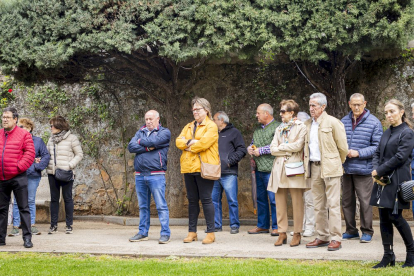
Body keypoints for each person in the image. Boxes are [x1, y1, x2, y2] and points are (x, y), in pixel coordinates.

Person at [370, 99, 414, 268]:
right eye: (386, 112)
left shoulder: (407, 132)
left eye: (392, 111)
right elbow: (377, 153)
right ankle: (388, 256)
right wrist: (376, 170)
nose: (388, 115)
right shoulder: (387, 132)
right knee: (383, 218)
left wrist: (379, 171)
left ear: (401, 112)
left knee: (395, 216)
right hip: (382, 180)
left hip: (397, 179)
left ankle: (411, 253)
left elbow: (400, 157)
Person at [304, 93, 348, 251]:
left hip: (330, 167)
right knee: (318, 204)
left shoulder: (333, 122)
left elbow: (343, 148)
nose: (311, 108)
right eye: (310, 105)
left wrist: (336, 162)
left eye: (314, 105)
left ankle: (336, 237)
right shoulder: (308, 124)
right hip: (314, 167)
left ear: (323, 107)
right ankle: (322, 236)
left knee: (333, 204)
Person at [176, 97, 219, 244]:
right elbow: (178, 141)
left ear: (206, 110)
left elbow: (204, 144)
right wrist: (191, 142)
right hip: (189, 167)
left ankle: (211, 233)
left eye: (198, 109)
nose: (195, 111)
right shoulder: (188, 126)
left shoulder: (211, 126)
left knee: (206, 200)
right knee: (192, 201)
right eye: (193, 109)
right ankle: (192, 232)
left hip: (204, 167)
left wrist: (188, 145)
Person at [341, 93, 383, 243]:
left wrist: (358, 153)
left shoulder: (374, 122)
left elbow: (378, 147)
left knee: (365, 201)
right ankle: (351, 230)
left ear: (365, 103)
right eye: (354, 104)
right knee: (347, 201)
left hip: (364, 168)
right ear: (349, 104)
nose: (357, 107)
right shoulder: (343, 121)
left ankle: (367, 231)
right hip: (346, 168)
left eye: (359, 104)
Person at [268, 100, 308, 247]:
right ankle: (282, 233)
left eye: (283, 111)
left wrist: (282, 147)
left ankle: (297, 233)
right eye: (280, 111)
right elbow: (272, 149)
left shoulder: (301, 127)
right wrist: (285, 148)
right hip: (279, 168)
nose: (281, 114)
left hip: (294, 168)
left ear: (292, 113)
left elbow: (298, 146)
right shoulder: (279, 128)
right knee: (279, 202)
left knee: (297, 202)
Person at [128, 110, 171, 244]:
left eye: (151, 119)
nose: (148, 121)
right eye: (146, 119)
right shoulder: (139, 131)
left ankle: (165, 234)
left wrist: (140, 142)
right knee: (143, 206)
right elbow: (131, 146)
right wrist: (147, 147)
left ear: (158, 119)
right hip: (140, 175)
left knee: (161, 206)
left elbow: (156, 141)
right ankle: (142, 233)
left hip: (156, 174)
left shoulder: (164, 132)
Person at [0, 107, 35, 248]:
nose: (4, 120)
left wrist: (18, 167)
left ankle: (27, 238)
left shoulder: (24, 135)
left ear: (15, 119)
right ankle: (1, 239)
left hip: (18, 177)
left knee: (23, 208)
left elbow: (30, 153)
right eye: (3, 117)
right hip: (2, 178)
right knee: (1, 209)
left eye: (7, 117)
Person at [9, 118, 50, 236]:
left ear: (29, 128)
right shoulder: (15, 140)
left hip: (32, 175)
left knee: (31, 200)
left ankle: (31, 225)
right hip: (18, 174)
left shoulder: (38, 141)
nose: (20, 129)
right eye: (19, 127)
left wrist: (37, 167)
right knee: (16, 201)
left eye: (23, 127)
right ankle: (16, 226)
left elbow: (46, 156)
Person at [247, 104, 280, 236]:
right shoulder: (257, 131)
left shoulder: (278, 127)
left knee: (274, 199)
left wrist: (260, 150)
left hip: (272, 169)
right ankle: (262, 225)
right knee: (260, 199)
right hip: (259, 169)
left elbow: (276, 145)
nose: (256, 115)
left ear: (267, 113)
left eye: (258, 113)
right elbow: (253, 142)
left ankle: (277, 226)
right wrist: (250, 148)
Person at [46, 116, 83, 234]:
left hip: (66, 172)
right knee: (54, 199)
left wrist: (70, 165)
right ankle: (53, 225)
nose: (50, 128)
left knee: (67, 199)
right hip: (52, 173)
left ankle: (69, 225)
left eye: (52, 125)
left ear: (59, 126)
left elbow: (79, 154)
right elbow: (47, 154)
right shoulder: (51, 139)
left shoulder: (72, 138)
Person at [212, 111, 247, 234]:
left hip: (229, 172)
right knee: (214, 200)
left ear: (222, 120)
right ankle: (216, 225)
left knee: (232, 200)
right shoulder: (213, 133)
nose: (213, 121)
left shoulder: (234, 132)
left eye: (214, 119)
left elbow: (242, 149)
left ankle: (234, 225)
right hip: (213, 172)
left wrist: (230, 161)